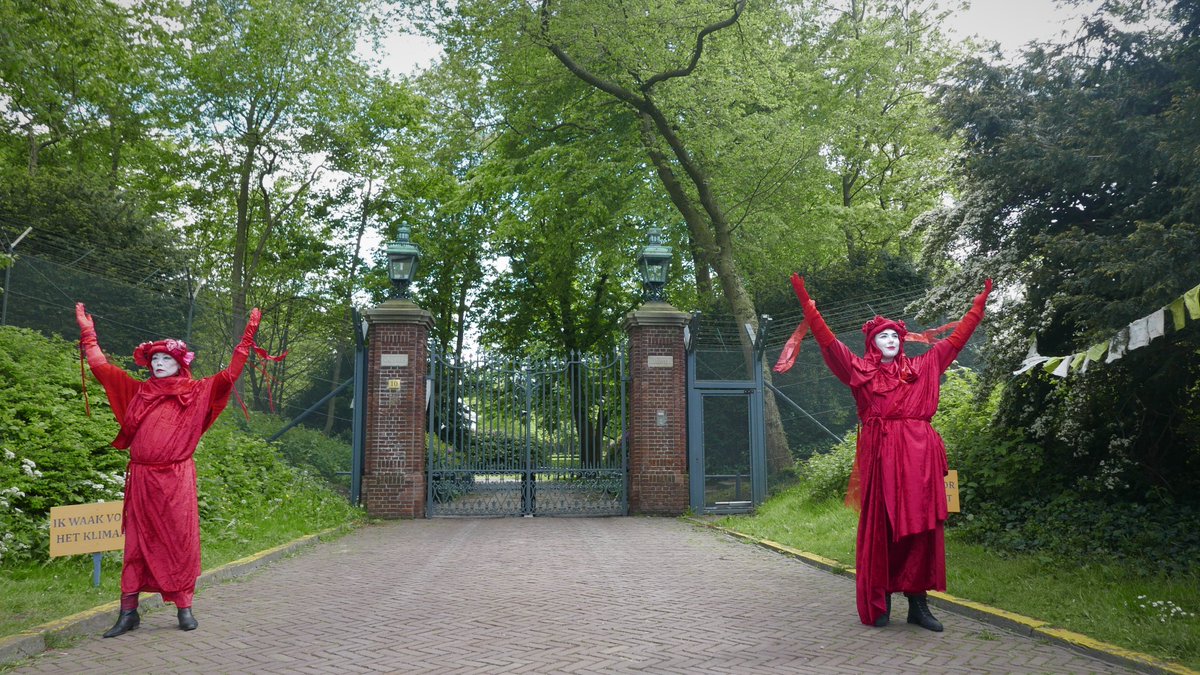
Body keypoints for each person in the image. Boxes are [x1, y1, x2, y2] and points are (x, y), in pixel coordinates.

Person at [789, 275, 991, 631]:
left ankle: (919, 604)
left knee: (921, 529)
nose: (891, 340)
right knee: (881, 527)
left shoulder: (924, 366)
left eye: (895, 336)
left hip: (923, 458)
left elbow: (957, 340)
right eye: (882, 336)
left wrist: (977, 307)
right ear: (871, 343)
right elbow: (829, 343)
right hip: (881, 455)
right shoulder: (858, 370)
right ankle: (878, 600)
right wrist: (807, 305)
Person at [76, 302, 263, 637]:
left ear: (179, 363)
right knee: (135, 543)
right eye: (154, 360)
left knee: (179, 540)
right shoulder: (138, 391)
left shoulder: (196, 392)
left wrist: (247, 338)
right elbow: (102, 369)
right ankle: (128, 611)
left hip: (176, 478)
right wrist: (88, 335)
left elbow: (229, 376)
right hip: (142, 479)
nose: (159, 364)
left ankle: (184, 607)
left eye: (166, 359)